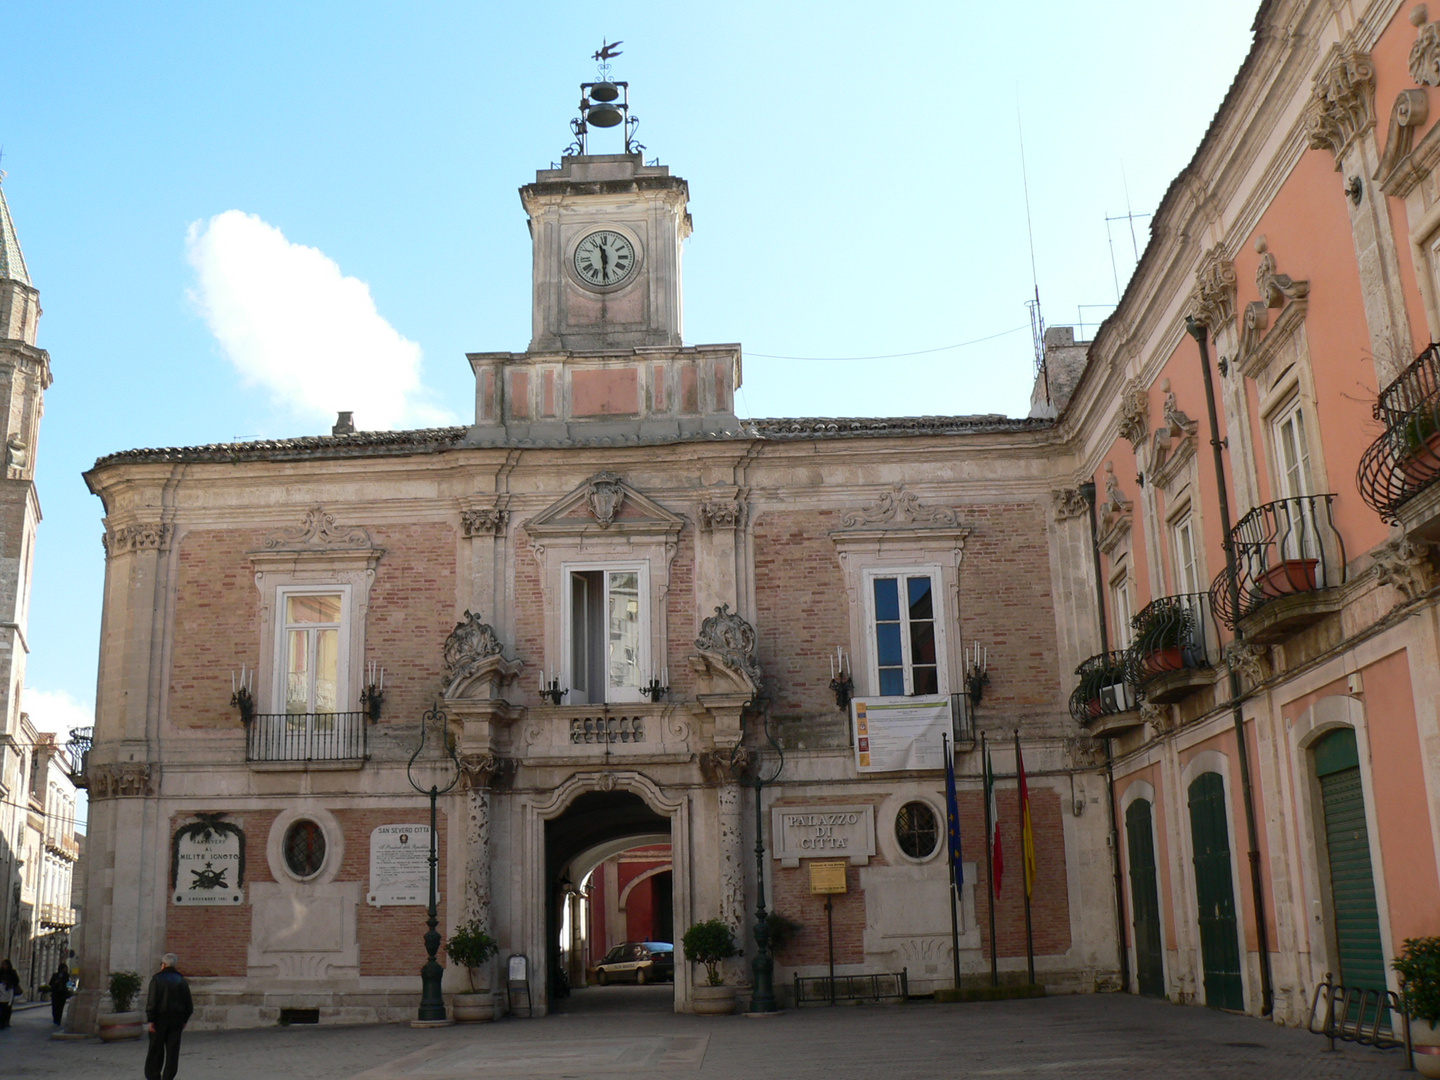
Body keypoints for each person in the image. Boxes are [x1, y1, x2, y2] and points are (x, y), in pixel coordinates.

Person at [144, 953, 193, 1080]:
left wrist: (151, 1019)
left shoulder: (157, 980)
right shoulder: (181, 981)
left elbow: (152, 1002)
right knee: (172, 1052)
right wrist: (185, 1019)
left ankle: (153, 1076)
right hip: (177, 1021)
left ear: (164, 964)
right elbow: (189, 1004)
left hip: (159, 1020)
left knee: (155, 1050)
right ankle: (168, 1077)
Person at [0, 958, 19, 1028]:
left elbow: (16, 980)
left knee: (8, 1008)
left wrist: (10, 984)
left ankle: (7, 1021)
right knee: (2, 1009)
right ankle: (2, 1022)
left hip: (9, 991)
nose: (3, 966)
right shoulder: (1, 972)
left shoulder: (12, 972)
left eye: (5, 964)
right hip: (1, 991)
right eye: (2, 965)